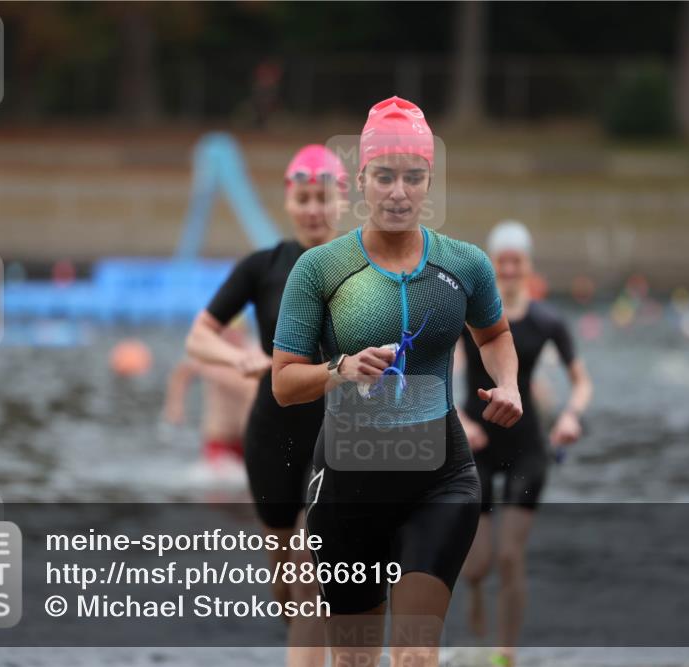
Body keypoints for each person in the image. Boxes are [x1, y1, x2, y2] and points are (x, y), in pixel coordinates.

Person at [272, 96, 523, 667]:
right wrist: (340, 369)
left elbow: (494, 335)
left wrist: (507, 384)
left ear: (428, 180)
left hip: (440, 479)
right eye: (384, 176)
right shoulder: (321, 270)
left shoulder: (466, 265)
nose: (398, 192)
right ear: (362, 179)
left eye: (413, 177)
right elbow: (284, 384)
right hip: (346, 485)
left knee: (414, 654)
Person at [184, 144, 346, 667]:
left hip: (337, 436)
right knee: (286, 574)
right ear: (289, 200)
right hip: (271, 433)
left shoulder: (365, 267)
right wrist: (245, 359)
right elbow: (199, 338)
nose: (314, 208)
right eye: (304, 198)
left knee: (311, 571)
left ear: (341, 199)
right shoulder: (262, 267)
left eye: (323, 198)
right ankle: (304, 642)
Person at [458, 220, 593, 667]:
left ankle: (506, 653)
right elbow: (434, 373)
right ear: (491, 266)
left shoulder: (547, 321)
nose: (510, 269)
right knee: (477, 563)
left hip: (527, 448)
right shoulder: (468, 318)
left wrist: (572, 414)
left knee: (511, 555)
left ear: (528, 266)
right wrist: (458, 418)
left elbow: (581, 382)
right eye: (503, 262)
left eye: (518, 261)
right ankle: (474, 590)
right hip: (476, 445)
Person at [163, 321, 257, 470]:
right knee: (217, 486)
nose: (231, 337)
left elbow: (253, 388)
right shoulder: (212, 355)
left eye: (235, 333)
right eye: (227, 333)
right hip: (219, 436)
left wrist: (220, 375)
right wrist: (175, 406)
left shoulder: (254, 354)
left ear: (243, 332)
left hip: (246, 437)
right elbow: (181, 374)